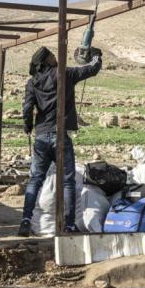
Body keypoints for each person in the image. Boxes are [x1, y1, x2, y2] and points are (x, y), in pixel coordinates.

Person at [18, 46, 102, 237]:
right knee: (67, 182)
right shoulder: (63, 74)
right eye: (52, 55)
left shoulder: (32, 82)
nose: (56, 57)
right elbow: (91, 69)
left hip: (41, 136)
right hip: (60, 135)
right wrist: (96, 55)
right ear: (46, 60)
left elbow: (27, 107)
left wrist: (28, 126)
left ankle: (25, 221)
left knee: (35, 180)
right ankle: (69, 225)